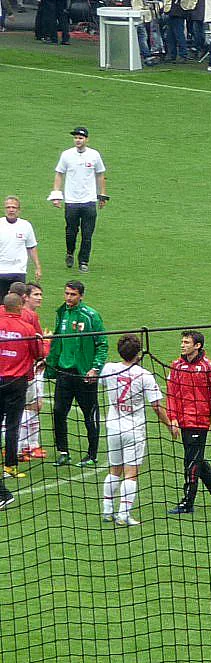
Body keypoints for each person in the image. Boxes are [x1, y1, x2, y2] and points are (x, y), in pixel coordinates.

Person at [98, 334, 173, 527]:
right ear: (138, 354)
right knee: (131, 473)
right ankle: (123, 514)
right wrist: (170, 425)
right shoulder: (145, 376)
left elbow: (97, 380)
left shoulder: (109, 369)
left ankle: (107, 510)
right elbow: (156, 406)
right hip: (134, 430)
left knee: (115, 470)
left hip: (113, 427)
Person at [166, 331, 211, 515]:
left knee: (191, 462)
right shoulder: (176, 366)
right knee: (195, 459)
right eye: (182, 342)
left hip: (199, 422)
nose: (182, 345)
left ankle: (188, 503)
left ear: (197, 346)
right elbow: (171, 394)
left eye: (186, 342)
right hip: (183, 422)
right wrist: (172, 419)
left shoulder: (209, 367)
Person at [45, 280, 107, 467]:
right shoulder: (61, 313)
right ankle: (63, 452)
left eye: (72, 294)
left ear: (81, 296)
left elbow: (102, 344)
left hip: (84, 374)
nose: (68, 297)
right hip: (64, 371)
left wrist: (95, 368)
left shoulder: (91, 316)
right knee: (58, 411)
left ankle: (92, 454)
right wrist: (50, 362)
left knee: (90, 414)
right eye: (66, 293)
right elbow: (58, 341)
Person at [49, 127, 107, 273]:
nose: (78, 140)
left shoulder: (94, 155)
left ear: (86, 139)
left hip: (89, 201)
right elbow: (59, 174)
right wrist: (56, 195)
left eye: (80, 138)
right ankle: (70, 253)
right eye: (76, 138)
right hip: (72, 201)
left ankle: (83, 261)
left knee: (87, 234)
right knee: (71, 232)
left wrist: (102, 195)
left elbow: (100, 174)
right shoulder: (66, 155)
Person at [0, 293, 40, 482]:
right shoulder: (27, 328)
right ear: (19, 307)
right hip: (16, 383)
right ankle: (9, 466)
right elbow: (37, 352)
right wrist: (46, 342)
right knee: (12, 425)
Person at [0, 197, 41, 298]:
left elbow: (31, 247)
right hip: (1, 270)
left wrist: (38, 267)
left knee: (18, 302)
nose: (11, 210)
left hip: (18, 271)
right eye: (8, 207)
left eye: (14, 207)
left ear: (19, 210)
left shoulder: (25, 226)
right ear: (5, 209)